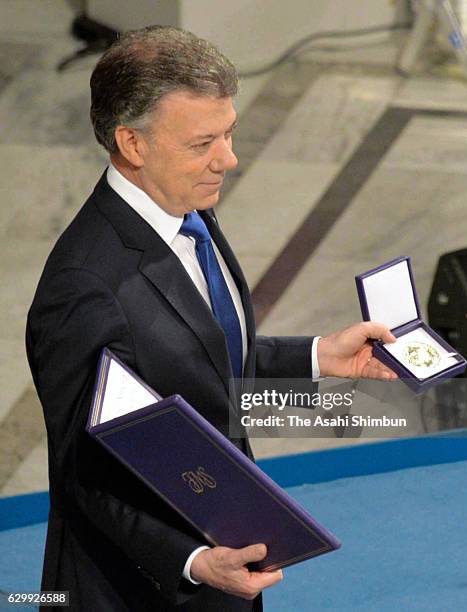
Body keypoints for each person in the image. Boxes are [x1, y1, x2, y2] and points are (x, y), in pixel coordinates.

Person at [26, 26, 396, 612]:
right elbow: (84, 475)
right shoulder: (84, 289)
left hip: (225, 559)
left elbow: (193, 356)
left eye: (228, 133)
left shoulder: (187, 209)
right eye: (202, 144)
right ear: (132, 143)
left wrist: (319, 355)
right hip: (140, 589)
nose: (229, 159)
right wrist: (194, 563)